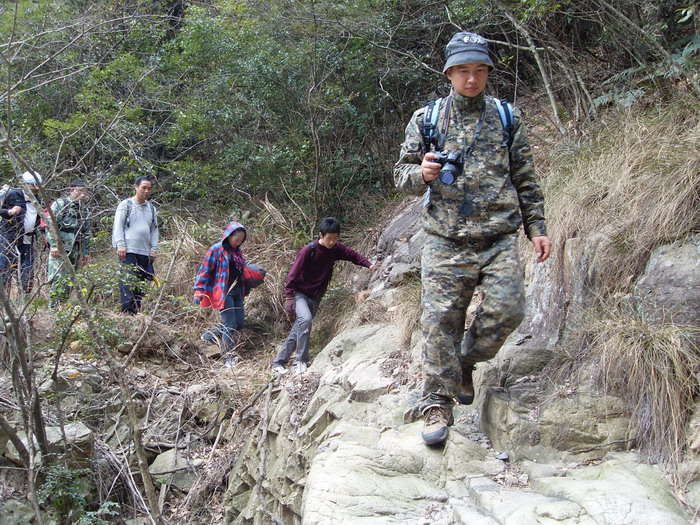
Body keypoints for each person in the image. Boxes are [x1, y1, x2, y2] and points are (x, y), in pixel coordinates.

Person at [394, 32, 551, 446]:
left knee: (510, 308)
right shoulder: (426, 119)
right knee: (439, 323)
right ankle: (435, 404)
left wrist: (537, 227)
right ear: (449, 73)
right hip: (445, 239)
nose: (471, 79)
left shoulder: (505, 116)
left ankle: (465, 362)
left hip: (498, 236)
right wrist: (422, 174)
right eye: (463, 70)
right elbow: (401, 175)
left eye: (479, 70)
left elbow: (525, 177)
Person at [272, 217, 377, 375]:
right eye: (329, 238)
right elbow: (292, 275)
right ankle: (301, 360)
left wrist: (370, 265)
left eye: (335, 238)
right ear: (321, 235)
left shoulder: (336, 249)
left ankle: (278, 363)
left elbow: (353, 255)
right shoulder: (309, 250)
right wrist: (289, 298)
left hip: (315, 297)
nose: (332, 242)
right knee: (305, 320)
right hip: (300, 294)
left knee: (300, 329)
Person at [193, 221, 250, 367]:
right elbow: (205, 270)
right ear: (229, 236)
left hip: (237, 291)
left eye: (241, 240)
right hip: (224, 292)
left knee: (239, 323)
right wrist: (199, 290)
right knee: (230, 324)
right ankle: (227, 357)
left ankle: (209, 335)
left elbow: (241, 271)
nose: (238, 242)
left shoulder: (238, 252)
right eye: (236, 239)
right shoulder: (216, 249)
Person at [112, 176, 158, 314]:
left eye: (149, 188)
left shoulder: (151, 208)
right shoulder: (126, 205)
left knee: (141, 285)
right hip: (128, 251)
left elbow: (154, 230)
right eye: (143, 187)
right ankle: (127, 315)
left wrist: (154, 249)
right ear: (136, 187)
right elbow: (118, 226)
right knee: (128, 283)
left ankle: (137, 314)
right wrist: (120, 244)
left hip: (145, 252)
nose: (146, 191)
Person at [46, 179, 92, 307]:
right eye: (80, 191)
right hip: (61, 248)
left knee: (72, 281)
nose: (83, 195)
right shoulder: (60, 204)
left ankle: (63, 309)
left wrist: (86, 252)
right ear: (72, 190)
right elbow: (50, 225)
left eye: (85, 192)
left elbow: (86, 232)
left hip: (76, 249)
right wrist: (54, 245)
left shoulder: (84, 210)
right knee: (58, 279)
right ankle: (53, 309)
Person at [0, 171, 43, 294]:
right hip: (9, 239)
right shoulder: (14, 194)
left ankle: (24, 298)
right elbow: (2, 211)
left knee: (27, 271)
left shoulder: (37, 200)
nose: (35, 188)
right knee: (5, 269)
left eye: (37, 185)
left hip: (27, 241)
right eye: (33, 185)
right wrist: (9, 212)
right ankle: (4, 300)